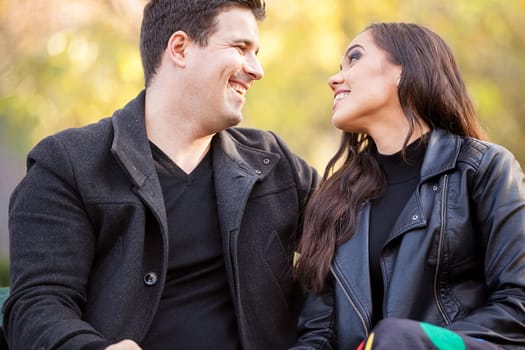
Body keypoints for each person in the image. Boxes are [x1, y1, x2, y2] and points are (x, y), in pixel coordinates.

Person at [3, 0, 318, 349]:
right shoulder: (68, 164)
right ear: (180, 48)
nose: (257, 69)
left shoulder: (275, 163)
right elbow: (37, 304)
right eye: (240, 48)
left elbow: (354, 235)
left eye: (255, 52)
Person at [290, 22, 525, 349]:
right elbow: (319, 334)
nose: (335, 78)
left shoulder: (483, 168)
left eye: (354, 59)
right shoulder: (334, 201)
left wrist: (413, 342)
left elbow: (518, 307)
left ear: (402, 71)